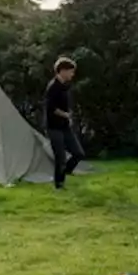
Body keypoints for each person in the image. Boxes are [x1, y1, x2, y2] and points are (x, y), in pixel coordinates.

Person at [44, 56, 85, 189]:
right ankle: (59, 184)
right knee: (60, 157)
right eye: (71, 71)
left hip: (65, 126)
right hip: (54, 127)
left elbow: (66, 105)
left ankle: (66, 171)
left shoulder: (65, 86)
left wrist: (69, 117)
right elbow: (51, 108)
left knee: (78, 153)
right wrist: (66, 115)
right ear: (62, 71)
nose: (72, 74)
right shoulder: (53, 87)